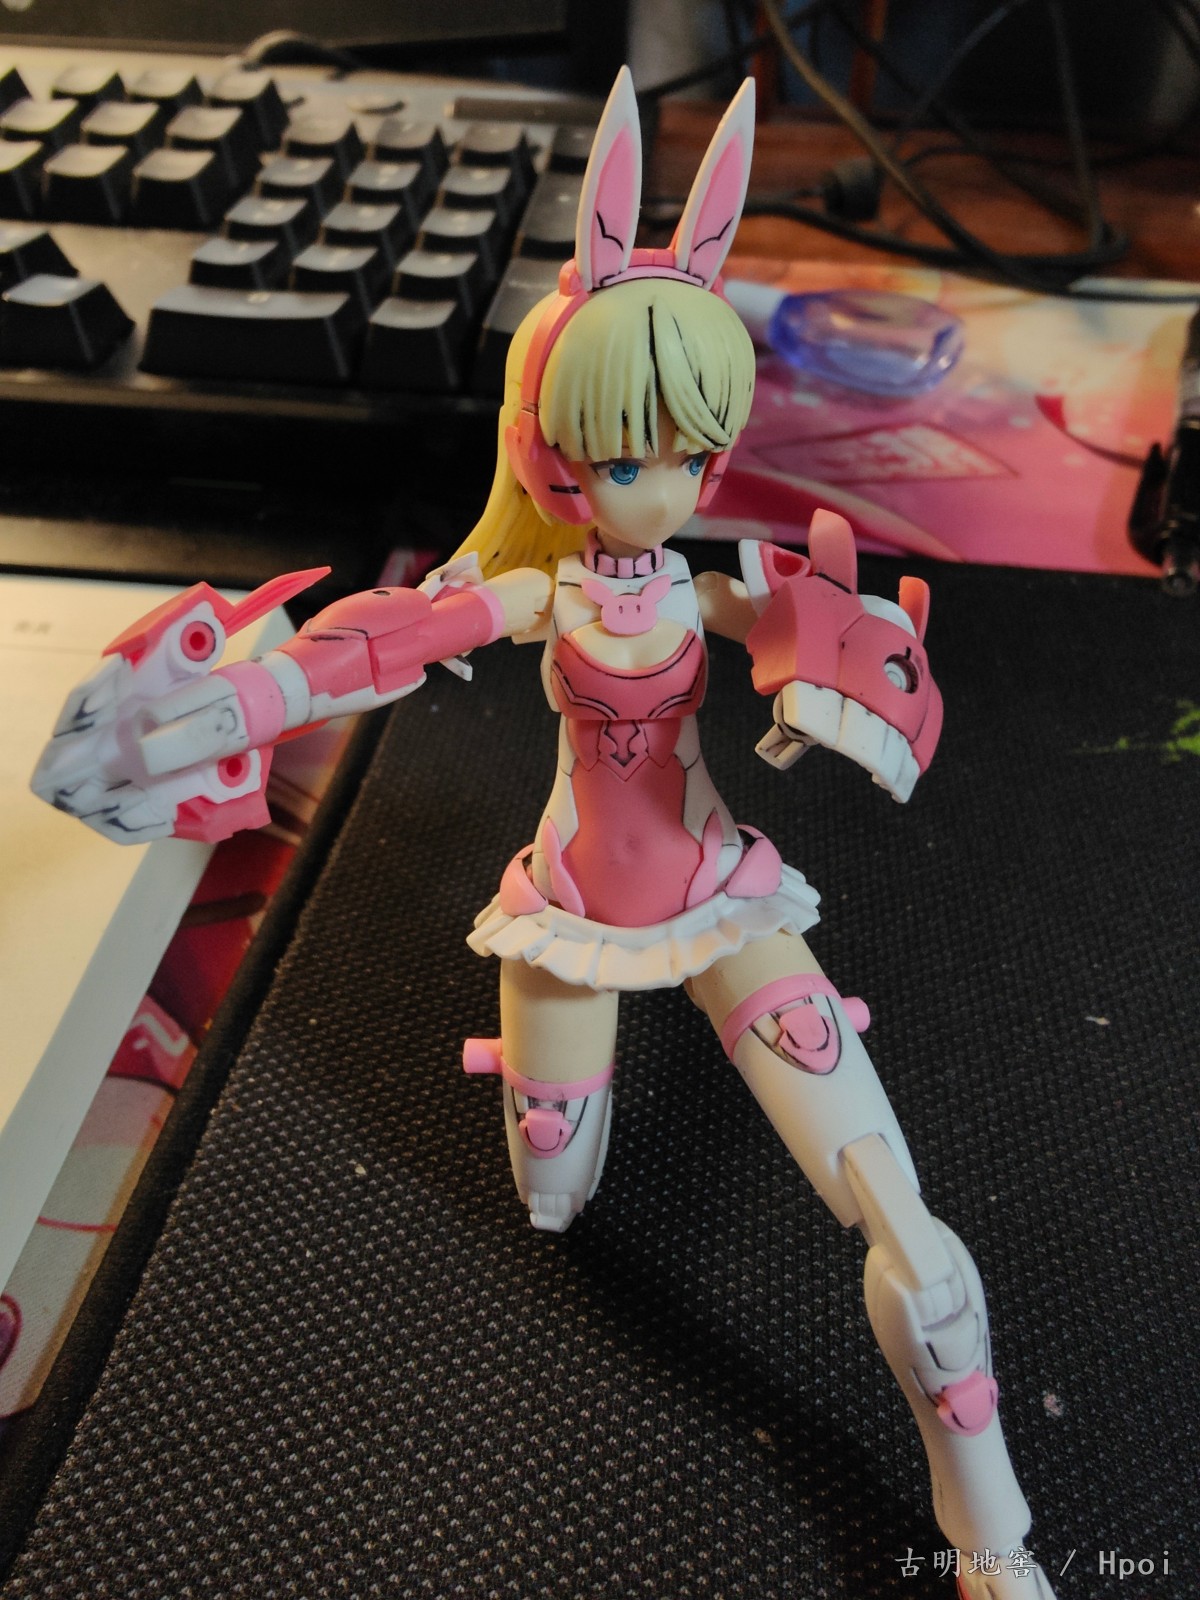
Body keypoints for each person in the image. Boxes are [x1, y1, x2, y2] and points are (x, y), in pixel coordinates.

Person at [31, 67, 1055, 1600]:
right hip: (571, 912)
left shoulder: (712, 590)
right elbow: (379, 642)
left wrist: (863, 668)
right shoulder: (541, 592)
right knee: (551, 1182)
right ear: (553, 445)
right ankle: (565, 1132)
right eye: (633, 456)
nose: (669, 489)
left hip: (724, 896)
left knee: (904, 1229)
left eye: (695, 456)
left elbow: (844, 649)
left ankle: (994, 1536)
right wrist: (219, 705)